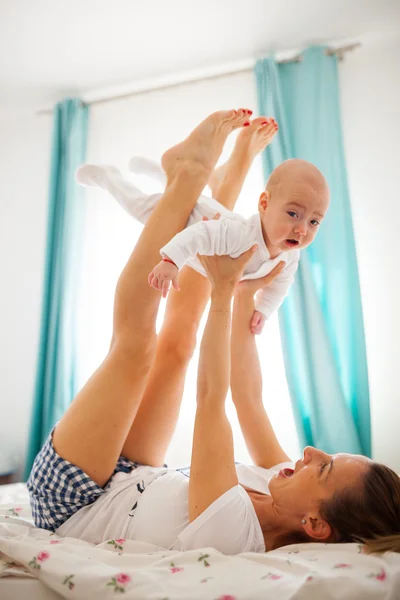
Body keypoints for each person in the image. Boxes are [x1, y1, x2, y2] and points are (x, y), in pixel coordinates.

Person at [27, 110, 400, 555]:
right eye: (328, 457)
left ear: (316, 525)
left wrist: (224, 292)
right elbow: (248, 397)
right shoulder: (283, 482)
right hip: (134, 473)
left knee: (136, 348)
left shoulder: (232, 532)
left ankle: (188, 174)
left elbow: (212, 400)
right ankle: (228, 169)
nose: (312, 451)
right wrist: (244, 296)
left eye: (323, 469)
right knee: (180, 343)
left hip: (71, 501)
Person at [76, 117, 329, 335]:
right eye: (294, 213)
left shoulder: (290, 255)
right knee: (139, 206)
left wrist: (263, 310)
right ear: (264, 203)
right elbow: (198, 234)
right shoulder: (241, 235)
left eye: (314, 221)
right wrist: (172, 261)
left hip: (202, 210)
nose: (302, 229)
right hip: (189, 218)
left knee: (179, 190)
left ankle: (160, 171)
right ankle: (108, 177)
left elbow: (280, 285)